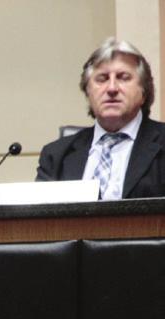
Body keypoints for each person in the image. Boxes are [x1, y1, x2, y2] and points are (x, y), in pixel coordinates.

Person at [36, 38, 165, 199]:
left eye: (123, 77)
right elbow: (40, 221)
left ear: (144, 92)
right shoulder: (55, 155)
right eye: (102, 79)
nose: (112, 88)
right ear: (88, 92)